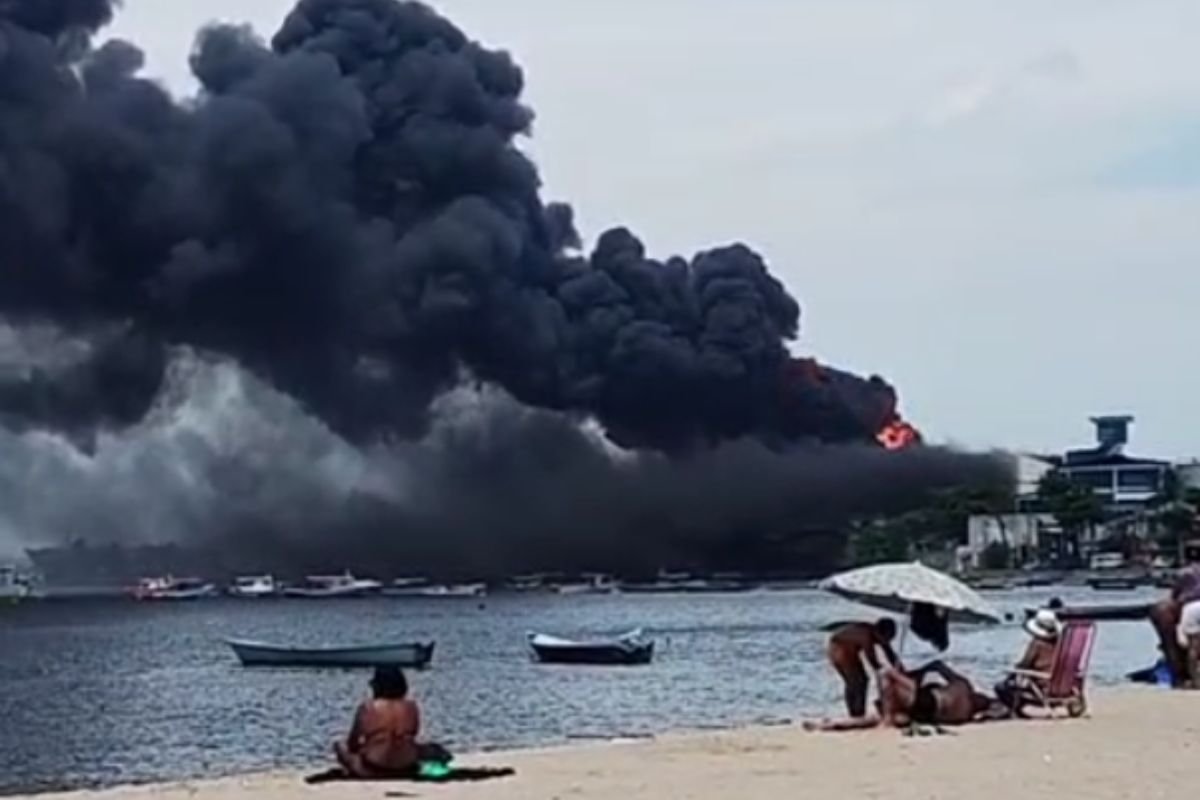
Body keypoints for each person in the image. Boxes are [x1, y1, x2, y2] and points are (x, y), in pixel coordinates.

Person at [805, 660, 1004, 732]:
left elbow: (938, 664)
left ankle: (887, 721)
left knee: (885, 672)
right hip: (923, 716)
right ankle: (830, 725)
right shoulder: (965, 716)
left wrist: (914, 674)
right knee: (871, 720)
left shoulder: (963, 686)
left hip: (925, 702)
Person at [333, 666, 451, 778]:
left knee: (339, 746)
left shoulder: (367, 707)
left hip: (373, 768)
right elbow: (413, 735)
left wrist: (366, 746)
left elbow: (352, 744)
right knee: (428, 748)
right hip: (407, 767)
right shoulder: (411, 707)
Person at [826, 618, 900, 718]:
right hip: (838, 647)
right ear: (878, 632)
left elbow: (890, 653)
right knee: (855, 681)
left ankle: (859, 711)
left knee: (863, 680)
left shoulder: (880, 635)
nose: (885, 642)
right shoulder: (866, 635)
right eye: (885, 639)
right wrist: (881, 670)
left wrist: (900, 670)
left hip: (850, 649)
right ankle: (855, 713)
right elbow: (871, 658)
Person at [993, 608, 1060, 716]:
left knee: (1001, 687)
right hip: (1059, 683)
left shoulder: (1037, 644)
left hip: (1042, 684)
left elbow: (1025, 663)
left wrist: (1013, 671)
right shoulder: (1060, 643)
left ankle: (1017, 711)